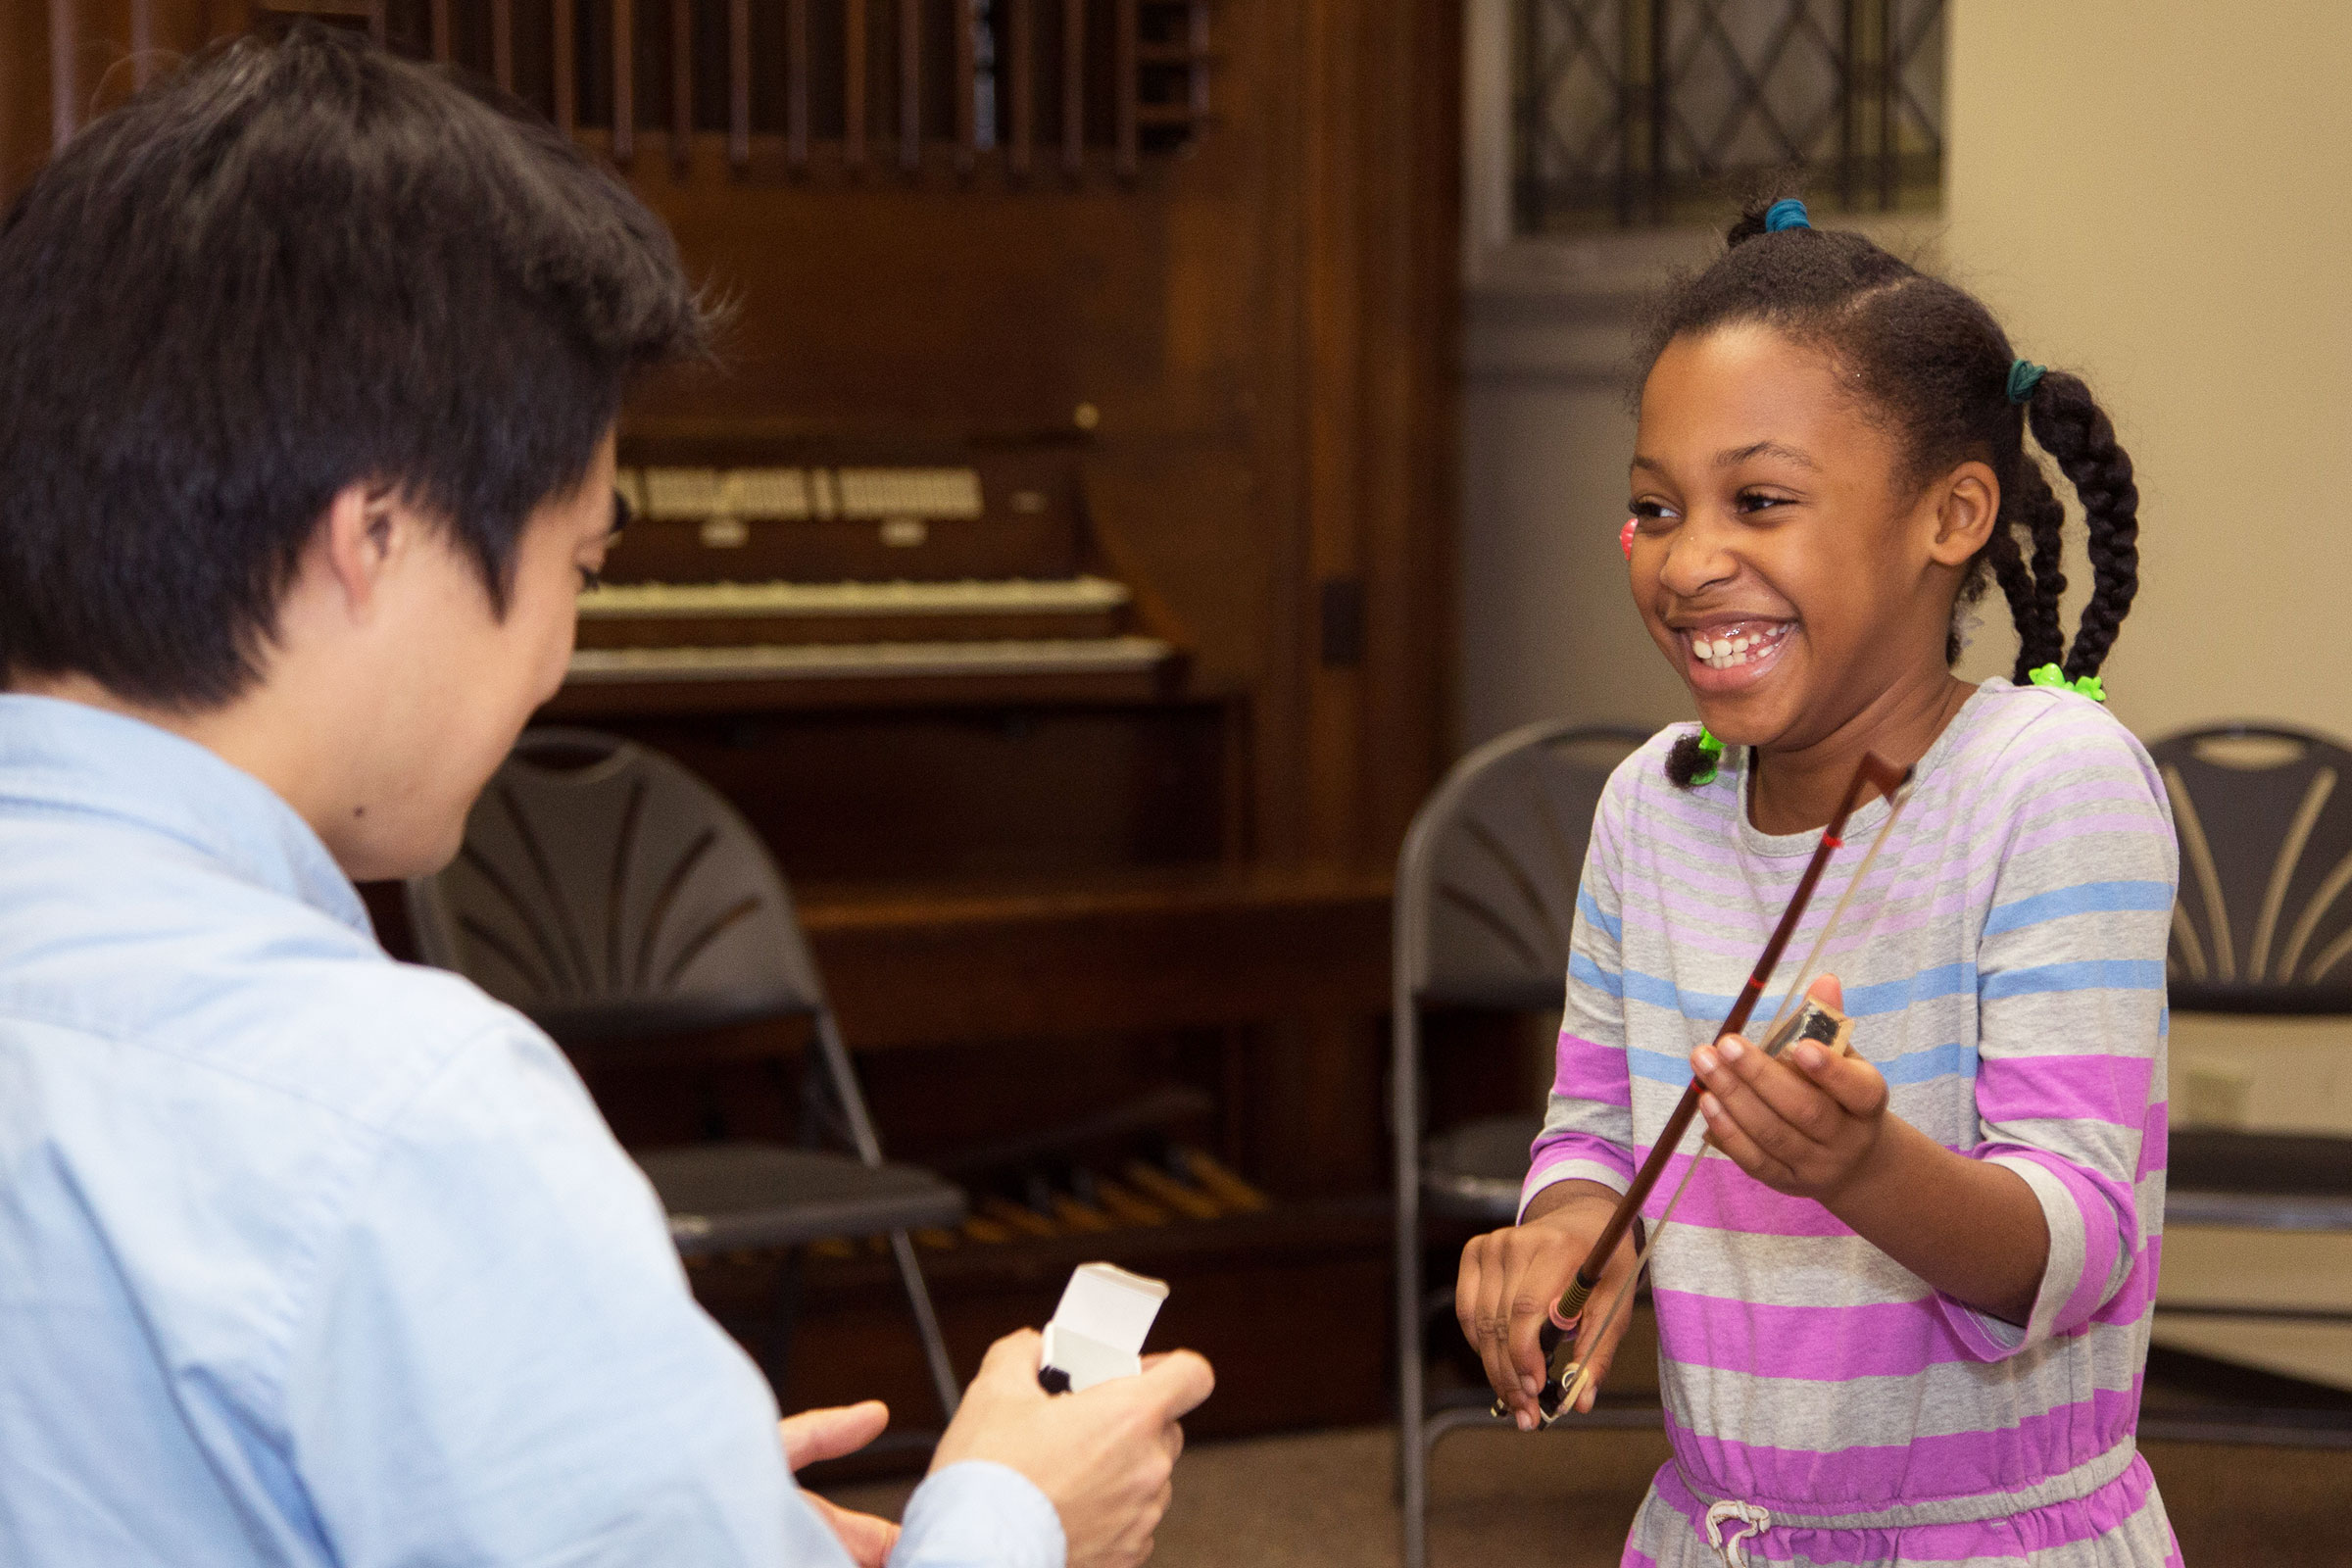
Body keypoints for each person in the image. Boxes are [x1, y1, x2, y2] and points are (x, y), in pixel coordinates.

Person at [0, 24, 1209, 1568]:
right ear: (372, 540)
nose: (561, 662)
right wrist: (1013, 1520)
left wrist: (631, 1484)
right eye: (575, 567)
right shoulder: (408, 1114)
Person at [1456, 196, 2177, 1566]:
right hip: (1715, 1533)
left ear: (1954, 514)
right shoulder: (1649, 808)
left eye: (1762, 501)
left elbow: (2075, 1244)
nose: (1688, 559)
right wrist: (1568, 1230)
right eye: (1653, 508)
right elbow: (1598, 1130)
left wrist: (1863, 1167)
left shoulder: (2052, 779)